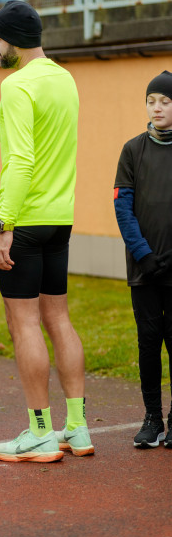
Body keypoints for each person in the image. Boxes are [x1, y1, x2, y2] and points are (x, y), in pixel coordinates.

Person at [0, 0, 94, 463]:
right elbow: (36, 145)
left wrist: (4, 226)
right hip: (60, 219)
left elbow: (22, 162)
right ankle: (76, 429)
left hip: (26, 220)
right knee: (58, 318)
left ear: (13, 39)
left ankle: (40, 431)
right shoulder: (64, 78)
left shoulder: (16, 83)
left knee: (24, 324)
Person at [114, 70, 172, 449]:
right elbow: (123, 207)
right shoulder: (133, 150)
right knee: (149, 344)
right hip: (145, 270)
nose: (157, 107)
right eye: (152, 101)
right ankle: (152, 418)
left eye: (165, 101)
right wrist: (143, 254)